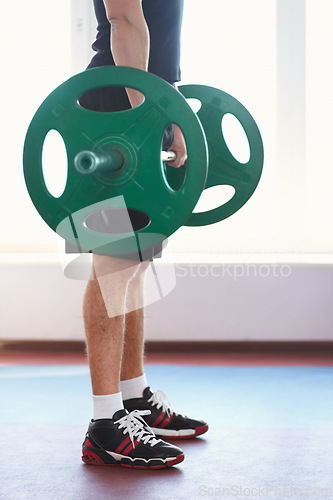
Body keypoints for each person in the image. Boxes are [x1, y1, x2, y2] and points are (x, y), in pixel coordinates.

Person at [81, 0, 208, 470]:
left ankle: (133, 398)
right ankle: (105, 424)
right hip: (118, 106)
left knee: (136, 262)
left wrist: (167, 107)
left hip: (143, 98)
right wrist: (153, 115)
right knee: (113, 262)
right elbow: (124, 20)